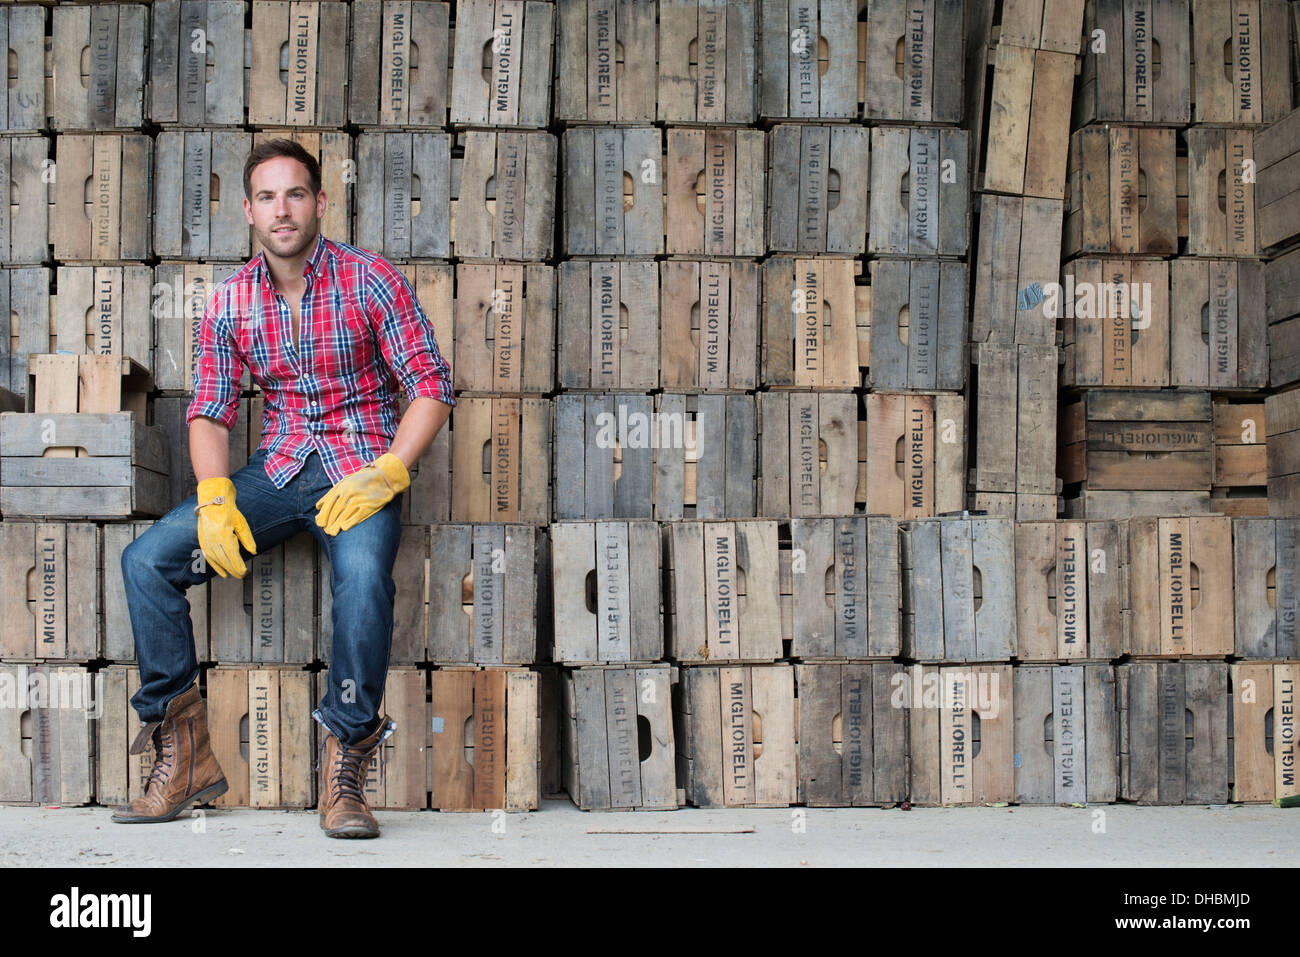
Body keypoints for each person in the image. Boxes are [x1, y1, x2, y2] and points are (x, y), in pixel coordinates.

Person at [111, 139, 454, 838]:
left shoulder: (370, 279)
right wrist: (213, 494)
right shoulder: (231, 300)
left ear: (320, 202)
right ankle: (183, 755)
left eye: (295, 194)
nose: (283, 209)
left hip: (359, 472)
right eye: (267, 197)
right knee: (146, 562)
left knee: (362, 581)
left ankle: (347, 765)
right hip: (279, 469)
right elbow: (209, 411)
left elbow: (431, 385)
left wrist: (391, 468)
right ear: (248, 212)